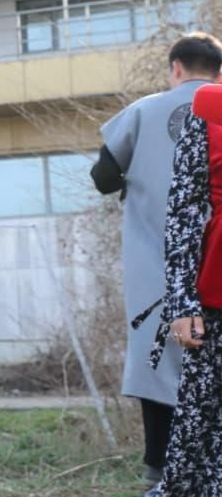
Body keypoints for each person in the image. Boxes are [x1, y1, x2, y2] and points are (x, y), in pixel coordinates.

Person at [92, 32, 222, 493]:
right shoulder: (219, 109)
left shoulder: (145, 111)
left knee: (156, 358)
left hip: (156, 261)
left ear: (176, 69)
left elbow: (103, 176)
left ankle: (160, 469)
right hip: (213, 264)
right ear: (218, 71)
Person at [148, 83, 222, 497]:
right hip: (214, 291)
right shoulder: (209, 108)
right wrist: (181, 300)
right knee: (198, 416)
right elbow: (184, 209)